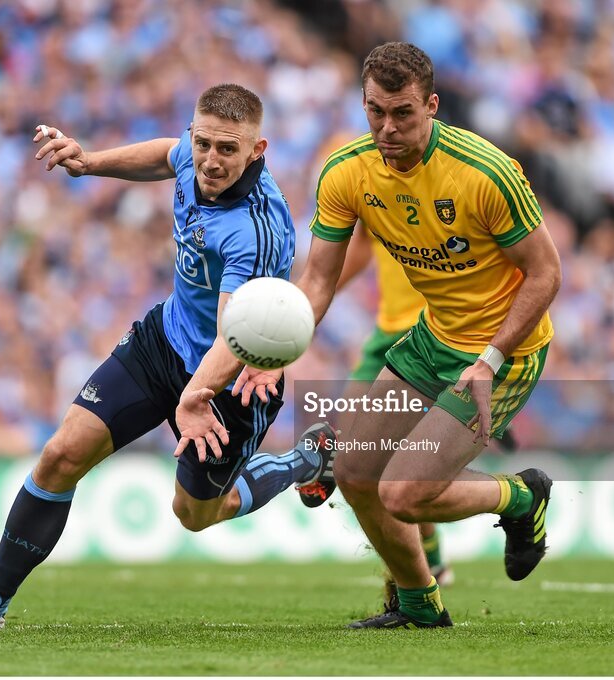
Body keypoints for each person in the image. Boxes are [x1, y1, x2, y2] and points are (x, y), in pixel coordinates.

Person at [0, 84, 335, 632]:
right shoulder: (193, 153)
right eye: (203, 142)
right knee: (61, 453)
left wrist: (194, 395)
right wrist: (88, 162)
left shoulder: (254, 232)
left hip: (234, 377)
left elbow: (234, 338)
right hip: (165, 340)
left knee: (197, 514)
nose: (210, 160)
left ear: (259, 151)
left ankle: (305, 460)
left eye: (227, 150)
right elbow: (165, 155)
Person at [236, 42, 562, 628]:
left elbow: (546, 273)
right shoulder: (346, 172)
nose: (387, 128)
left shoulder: (485, 172)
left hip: (505, 352)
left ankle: (522, 495)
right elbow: (317, 282)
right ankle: (420, 606)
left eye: (403, 113)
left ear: (432, 105)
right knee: (356, 473)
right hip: (430, 340)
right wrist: (271, 352)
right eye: (375, 112)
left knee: (404, 493)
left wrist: (488, 360)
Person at [333, 223, 455, 588]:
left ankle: (425, 565)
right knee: (349, 446)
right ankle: (430, 558)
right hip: (386, 333)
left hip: (431, 335)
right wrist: (309, 298)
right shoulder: (368, 181)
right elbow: (361, 249)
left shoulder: (444, 181)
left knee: (397, 460)